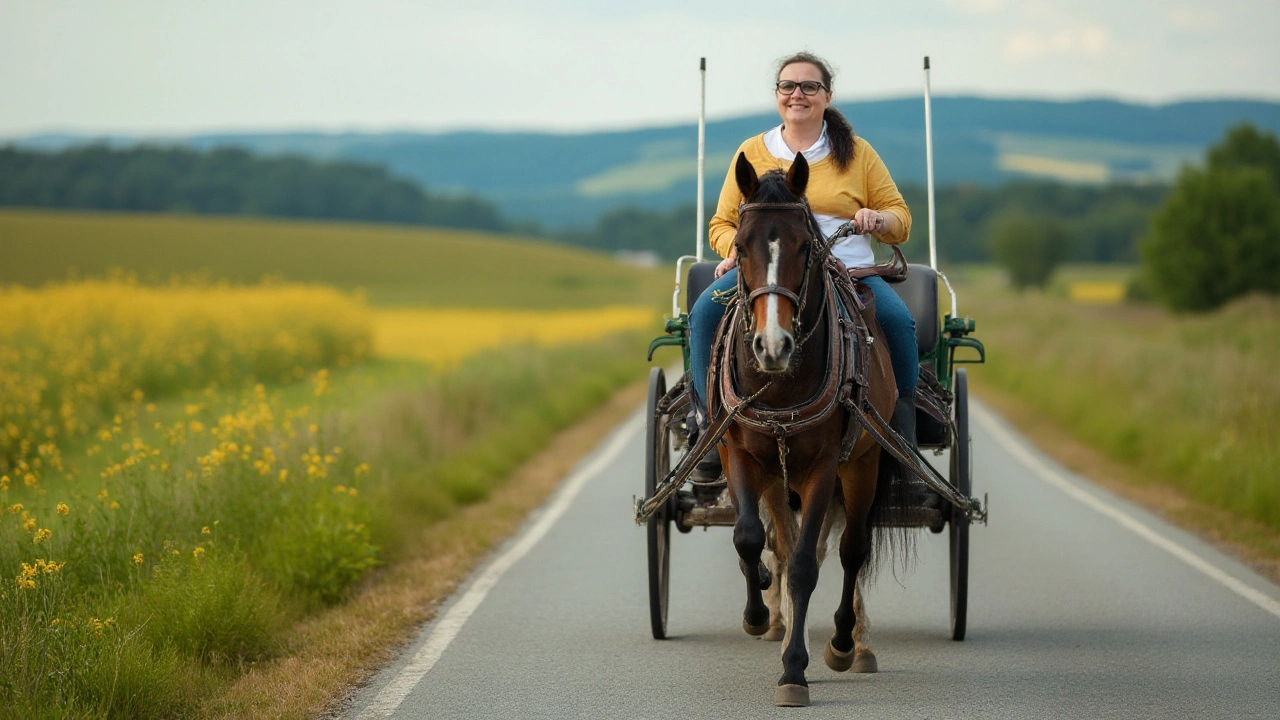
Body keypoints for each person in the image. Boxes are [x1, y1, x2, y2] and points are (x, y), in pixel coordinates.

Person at [688, 51, 920, 489]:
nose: (798, 94)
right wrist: (735, 251)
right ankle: (706, 423)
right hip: (768, 275)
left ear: (827, 96)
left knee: (898, 321)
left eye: (809, 86)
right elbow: (721, 223)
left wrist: (879, 219)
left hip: (850, 274)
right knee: (702, 315)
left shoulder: (858, 154)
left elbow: (901, 219)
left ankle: (901, 432)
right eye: (788, 86)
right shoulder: (750, 152)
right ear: (777, 96)